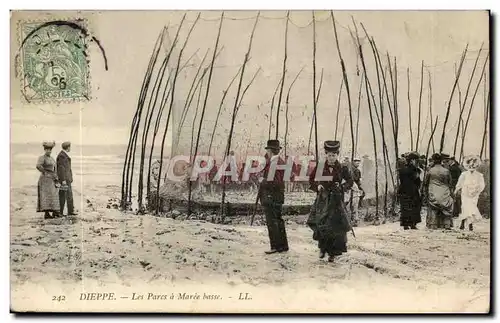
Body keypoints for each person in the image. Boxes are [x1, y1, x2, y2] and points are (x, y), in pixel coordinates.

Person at [307, 140, 353, 263]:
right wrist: (317, 186)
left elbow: (350, 181)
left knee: (335, 227)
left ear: (337, 155)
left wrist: (342, 187)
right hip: (323, 199)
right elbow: (311, 179)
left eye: (334, 155)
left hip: (337, 200)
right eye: (329, 155)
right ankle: (322, 248)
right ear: (326, 155)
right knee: (322, 224)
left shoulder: (342, 167)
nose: (331, 158)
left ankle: (333, 253)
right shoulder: (320, 166)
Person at [258, 139, 288, 254]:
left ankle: (275, 246)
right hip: (277, 196)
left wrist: (263, 180)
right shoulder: (278, 161)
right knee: (278, 220)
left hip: (272, 196)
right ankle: (283, 246)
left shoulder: (274, 163)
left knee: (272, 221)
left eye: (268, 150)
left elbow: (275, 182)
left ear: (270, 151)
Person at [423, 153, 454, 230]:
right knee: (446, 208)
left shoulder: (430, 171)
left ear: (433, 160)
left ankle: (433, 224)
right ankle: (446, 224)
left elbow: (425, 183)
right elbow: (450, 183)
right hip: (444, 193)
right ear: (441, 161)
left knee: (433, 208)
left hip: (433, 192)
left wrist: (426, 192)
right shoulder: (446, 171)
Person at [455, 155, 485, 231]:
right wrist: (456, 190)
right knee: (464, 207)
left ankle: (470, 224)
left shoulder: (479, 175)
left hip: (474, 195)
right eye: (470, 166)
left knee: (472, 208)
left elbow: (482, 185)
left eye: (473, 166)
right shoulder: (464, 174)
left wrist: (477, 191)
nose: (471, 167)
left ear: (476, 166)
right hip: (465, 194)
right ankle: (463, 223)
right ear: (467, 165)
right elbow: (459, 183)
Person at [398, 152, 422, 230]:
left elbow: (401, 180)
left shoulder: (402, 170)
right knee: (414, 206)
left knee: (405, 207)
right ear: (412, 160)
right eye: (416, 160)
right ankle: (412, 224)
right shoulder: (416, 170)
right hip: (413, 191)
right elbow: (418, 181)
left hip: (403, 190)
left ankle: (405, 224)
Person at [37, 141, 60, 219]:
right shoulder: (42, 158)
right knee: (46, 196)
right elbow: (38, 166)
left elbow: (55, 168)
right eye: (47, 149)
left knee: (53, 195)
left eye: (50, 150)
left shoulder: (52, 158)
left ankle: (54, 212)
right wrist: (45, 172)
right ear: (45, 150)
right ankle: (46, 214)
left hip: (52, 179)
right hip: (45, 180)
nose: (49, 151)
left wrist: (56, 177)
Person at [56, 141, 77, 216]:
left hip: (67, 179)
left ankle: (69, 211)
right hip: (64, 180)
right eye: (70, 147)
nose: (70, 148)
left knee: (68, 195)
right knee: (63, 196)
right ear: (68, 147)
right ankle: (60, 212)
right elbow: (61, 169)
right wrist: (63, 180)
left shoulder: (63, 155)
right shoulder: (62, 155)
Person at [347, 156, 364, 227]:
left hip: (351, 188)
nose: (357, 162)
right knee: (353, 205)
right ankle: (354, 220)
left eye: (358, 161)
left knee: (351, 205)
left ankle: (352, 220)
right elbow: (357, 180)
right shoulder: (354, 170)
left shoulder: (354, 169)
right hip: (353, 188)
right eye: (356, 161)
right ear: (352, 162)